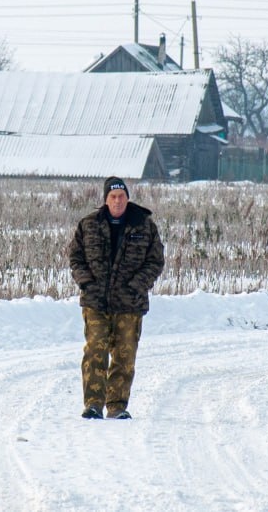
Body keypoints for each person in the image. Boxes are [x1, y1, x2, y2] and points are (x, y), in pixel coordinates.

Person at [67, 176, 165, 420]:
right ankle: (92, 405)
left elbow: (155, 261)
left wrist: (136, 286)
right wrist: (86, 282)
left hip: (129, 304)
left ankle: (117, 407)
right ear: (105, 199)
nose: (118, 201)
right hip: (96, 302)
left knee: (124, 356)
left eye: (122, 196)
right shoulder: (89, 225)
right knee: (95, 352)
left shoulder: (144, 226)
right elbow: (75, 257)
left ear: (128, 198)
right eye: (113, 196)